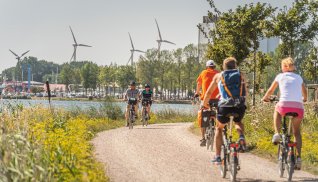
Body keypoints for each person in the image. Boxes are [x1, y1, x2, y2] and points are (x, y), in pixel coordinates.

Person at [262, 57, 307, 170]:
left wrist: (265, 98)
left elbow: (271, 90)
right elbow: (304, 92)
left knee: (277, 110)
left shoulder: (280, 76)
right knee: (297, 133)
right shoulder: (299, 77)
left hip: (284, 105)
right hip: (298, 107)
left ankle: (277, 133)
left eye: (282, 65)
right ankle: (299, 158)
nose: (281, 68)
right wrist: (304, 99)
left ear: (286, 67)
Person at [203, 57, 247, 164]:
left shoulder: (219, 76)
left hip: (224, 107)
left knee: (219, 128)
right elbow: (244, 91)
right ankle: (241, 137)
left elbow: (208, 93)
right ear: (235, 66)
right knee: (238, 121)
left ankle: (217, 156)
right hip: (239, 106)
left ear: (223, 66)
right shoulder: (241, 75)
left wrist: (204, 104)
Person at [195, 60, 219, 147]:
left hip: (206, 100)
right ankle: (221, 133)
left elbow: (198, 83)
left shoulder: (203, 72)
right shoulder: (218, 73)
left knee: (202, 115)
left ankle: (203, 138)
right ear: (214, 67)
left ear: (207, 67)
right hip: (217, 100)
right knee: (219, 114)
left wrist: (197, 93)